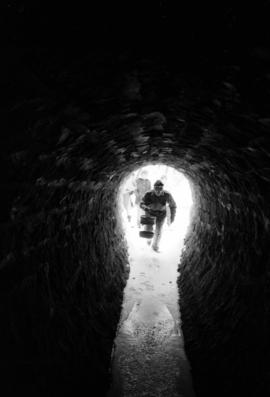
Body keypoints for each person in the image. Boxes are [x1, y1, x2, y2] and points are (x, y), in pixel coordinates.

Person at [140, 180, 176, 252]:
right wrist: (146, 208)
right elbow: (141, 203)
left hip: (161, 214)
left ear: (162, 189)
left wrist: (172, 217)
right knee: (148, 230)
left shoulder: (167, 194)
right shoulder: (148, 194)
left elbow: (173, 206)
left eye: (160, 189)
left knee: (158, 231)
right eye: (156, 189)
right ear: (154, 188)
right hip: (150, 213)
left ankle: (155, 247)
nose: (158, 191)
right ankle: (149, 240)